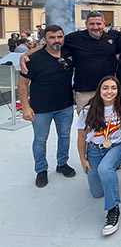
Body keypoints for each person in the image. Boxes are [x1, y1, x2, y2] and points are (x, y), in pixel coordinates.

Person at [18, 24, 76, 188]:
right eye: (52, 37)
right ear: (45, 39)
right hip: (41, 109)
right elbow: (22, 85)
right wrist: (26, 107)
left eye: (59, 37)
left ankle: (62, 164)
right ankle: (41, 170)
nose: (56, 40)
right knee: (40, 140)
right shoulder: (34, 59)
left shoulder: (69, 54)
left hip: (65, 105)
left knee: (64, 136)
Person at [76, 76, 121, 236]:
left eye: (113, 88)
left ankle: (113, 211)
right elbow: (81, 138)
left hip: (118, 146)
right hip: (94, 150)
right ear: (99, 90)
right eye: (105, 88)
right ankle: (110, 169)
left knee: (105, 169)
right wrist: (83, 160)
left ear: (118, 90)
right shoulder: (88, 110)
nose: (109, 91)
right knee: (97, 192)